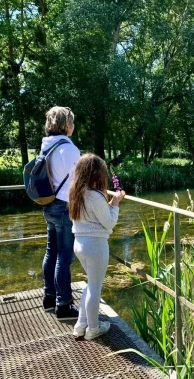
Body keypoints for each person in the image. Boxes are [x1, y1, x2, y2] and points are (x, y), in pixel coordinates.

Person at [68, 154, 126, 339]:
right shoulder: (94, 195)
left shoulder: (77, 193)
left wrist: (108, 203)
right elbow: (108, 223)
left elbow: (93, 216)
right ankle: (93, 329)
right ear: (97, 174)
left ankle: (80, 325)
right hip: (95, 246)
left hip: (80, 244)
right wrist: (115, 204)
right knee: (95, 287)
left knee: (91, 284)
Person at [41, 106, 81, 320]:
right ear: (66, 124)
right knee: (65, 256)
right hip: (64, 207)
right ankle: (63, 305)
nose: (73, 126)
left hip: (48, 205)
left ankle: (49, 297)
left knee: (51, 252)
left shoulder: (46, 145)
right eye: (72, 122)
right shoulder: (68, 148)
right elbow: (79, 181)